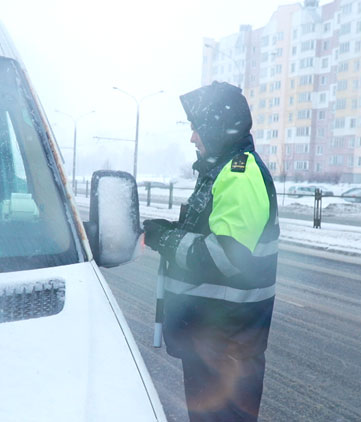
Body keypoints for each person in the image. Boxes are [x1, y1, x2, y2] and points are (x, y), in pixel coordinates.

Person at [143, 81, 279, 422]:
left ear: (218, 127)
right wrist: (171, 230)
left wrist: (167, 240)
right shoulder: (220, 172)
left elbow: (225, 258)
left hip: (227, 344)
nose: (192, 138)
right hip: (215, 340)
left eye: (197, 128)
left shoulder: (240, 174)